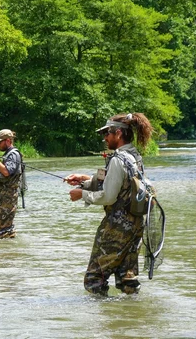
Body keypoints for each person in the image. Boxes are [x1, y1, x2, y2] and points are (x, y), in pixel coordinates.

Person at [64, 113, 153, 296]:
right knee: (127, 278)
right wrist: (86, 180)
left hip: (117, 227)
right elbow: (123, 185)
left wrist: (83, 194)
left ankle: (105, 321)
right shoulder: (134, 156)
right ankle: (131, 318)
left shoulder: (118, 159)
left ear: (118, 133)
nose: (105, 138)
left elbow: (109, 197)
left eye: (107, 134)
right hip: (136, 225)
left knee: (94, 279)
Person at [0, 129, 23, 239]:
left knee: (3, 229)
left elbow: (6, 172)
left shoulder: (13, 154)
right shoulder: (7, 155)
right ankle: (6, 251)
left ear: (7, 141)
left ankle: (7, 253)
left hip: (8, 198)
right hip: (2, 197)